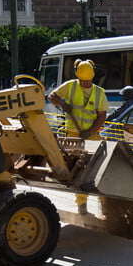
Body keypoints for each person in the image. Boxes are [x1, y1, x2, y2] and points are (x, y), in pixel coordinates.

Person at [48, 59, 108, 214]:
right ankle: (82, 206)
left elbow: (102, 116)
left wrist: (91, 131)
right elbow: (51, 96)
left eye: (88, 81)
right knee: (78, 172)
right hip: (73, 136)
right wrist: (61, 103)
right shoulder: (70, 86)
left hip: (92, 136)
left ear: (93, 77)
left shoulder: (99, 92)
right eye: (83, 81)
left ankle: (106, 205)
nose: (86, 84)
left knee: (100, 169)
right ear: (78, 77)